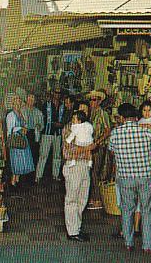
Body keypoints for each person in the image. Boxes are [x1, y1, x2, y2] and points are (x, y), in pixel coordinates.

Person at [108, 103, 151, 254]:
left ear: (121, 117)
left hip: (125, 176)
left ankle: (128, 242)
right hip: (146, 176)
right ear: (136, 116)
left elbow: (111, 152)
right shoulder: (146, 132)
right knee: (147, 210)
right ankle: (148, 245)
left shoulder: (115, 133)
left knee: (127, 210)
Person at [62, 111, 96, 242]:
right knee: (72, 199)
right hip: (73, 166)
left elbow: (92, 145)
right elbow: (68, 151)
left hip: (84, 165)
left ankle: (77, 226)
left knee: (82, 198)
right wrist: (87, 148)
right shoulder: (69, 129)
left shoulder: (87, 128)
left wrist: (88, 150)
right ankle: (72, 231)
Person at [87, 90, 111, 210]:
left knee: (95, 172)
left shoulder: (102, 113)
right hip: (91, 146)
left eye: (94, 99)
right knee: (91, 172)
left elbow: (107, 131)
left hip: (99, 146)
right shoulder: (91, 113)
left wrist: (97, 142)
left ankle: (97, 199)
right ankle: (93, 197)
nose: (92, 101)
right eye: (91, 99)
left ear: (99, 101)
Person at [6, 96, 35, 189]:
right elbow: (10, 129)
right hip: (15, 140)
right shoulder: (10, 115)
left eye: (19, 103)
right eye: (16, 103)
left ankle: (17, 181)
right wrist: (21, 128)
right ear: (13, 104)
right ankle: (13, 181)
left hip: (22, 140)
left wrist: (25, 127)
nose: (18, 105)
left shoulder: (21, 114)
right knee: (16, 161)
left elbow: (25, 124)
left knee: (21, 161)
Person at [36, 88, 64, 183]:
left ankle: (55, 175)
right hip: (47, 133)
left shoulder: (62, 106)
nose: (58, 95)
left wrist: (61, 124)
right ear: (53, 93)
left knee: (57, 156)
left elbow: (65, 119)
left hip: (58, 134)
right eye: (56, 92)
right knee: (43, 155)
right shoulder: (46, 105)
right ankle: (38, 176)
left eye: (59, 93)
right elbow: (41, 118)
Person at [21, 93, 44, 169]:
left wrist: (39, 126)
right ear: (26, 99)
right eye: (29, 98)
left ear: (35, 101)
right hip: (25, 133)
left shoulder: (38, 112)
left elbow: (42, 126)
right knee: (24, 155)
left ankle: (32, 177)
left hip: (34, 134)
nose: (30, 100)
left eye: (32, 98)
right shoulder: (21, 110)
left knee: (34, 156)